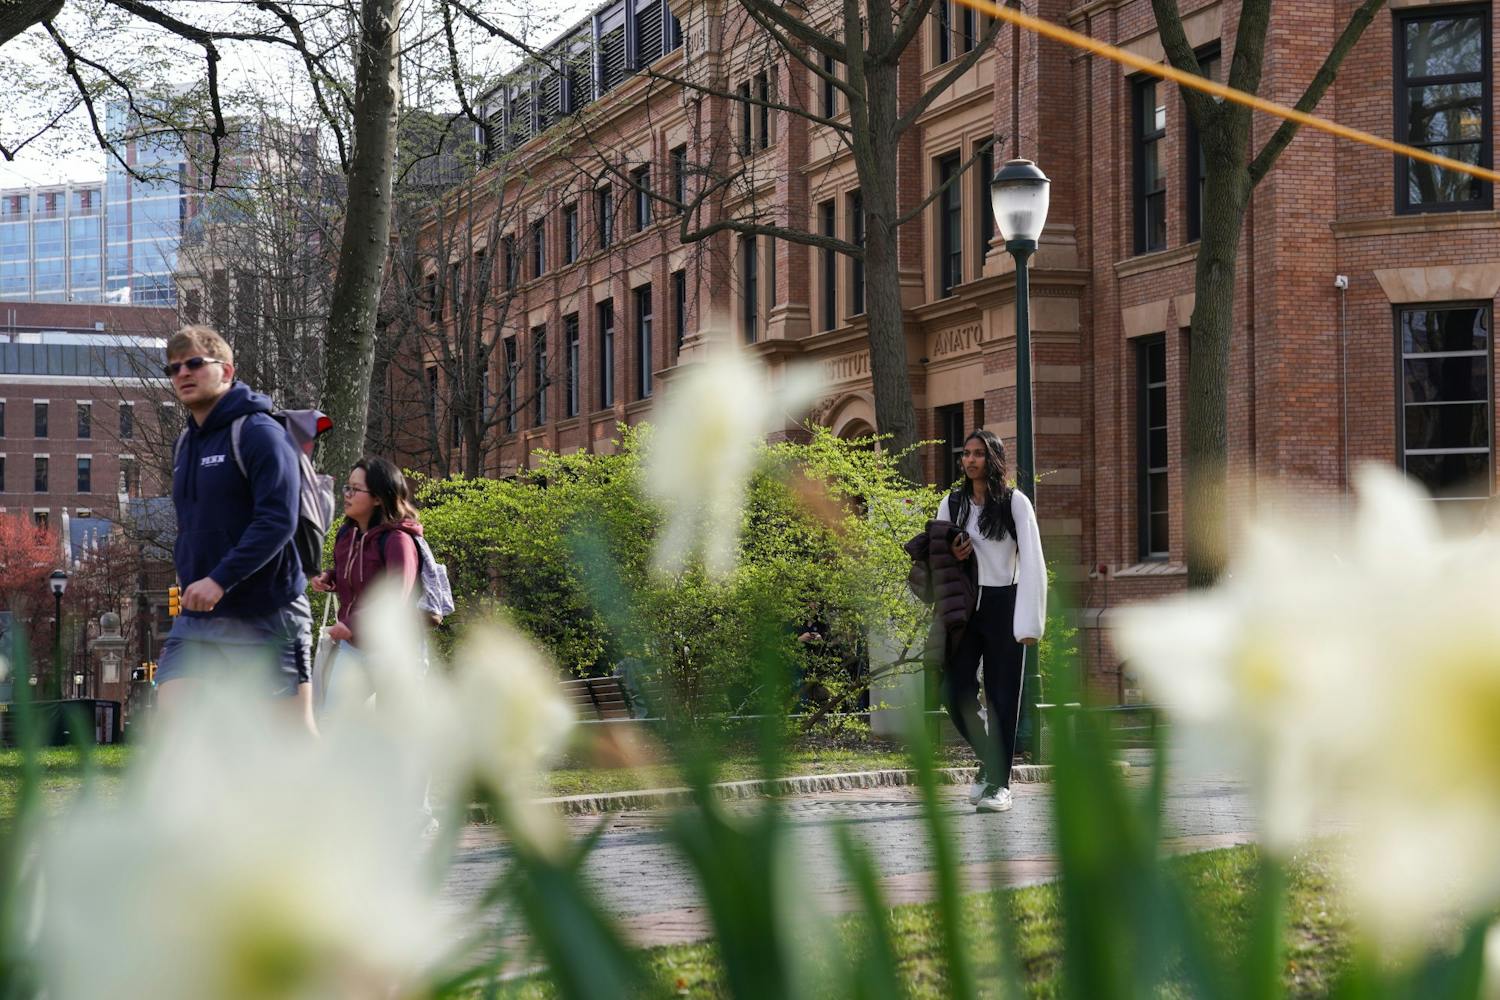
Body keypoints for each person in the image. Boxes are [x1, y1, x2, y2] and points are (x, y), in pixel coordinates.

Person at [155, 325, 317, 734]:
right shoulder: (184, 444)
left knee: (292, 736)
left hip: (267, 610)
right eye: (173, 368)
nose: (183, 373)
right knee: (174, 722)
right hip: (200, 616)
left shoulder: (260, 433)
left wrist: (219, 579)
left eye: (195, 363)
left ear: (226, 371)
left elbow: (278, 520)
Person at [935, 429, 1046, 813]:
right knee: (954, 691)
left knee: (1002, 697)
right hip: (965, 606)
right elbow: (937, 554)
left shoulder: (1015, 503)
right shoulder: (952, 503)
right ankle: (989, 759)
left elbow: (1033, 561)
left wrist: (1029, 623)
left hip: (1005, 605)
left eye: (978, 453)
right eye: (966, 453)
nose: (970, 460)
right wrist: (953, 551)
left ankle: (1000, 784)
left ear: (993, 458)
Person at [309, 457, 422, 678]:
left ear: (378, 498)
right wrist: (330, 578)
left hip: (391, 651)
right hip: (352, 648)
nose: (347, 494)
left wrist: (352, 623)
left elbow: (396, 596)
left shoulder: (398, 540)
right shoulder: (346, 535)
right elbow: (354, 575)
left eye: (356, 489)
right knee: (336, 703)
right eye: (347, 487)